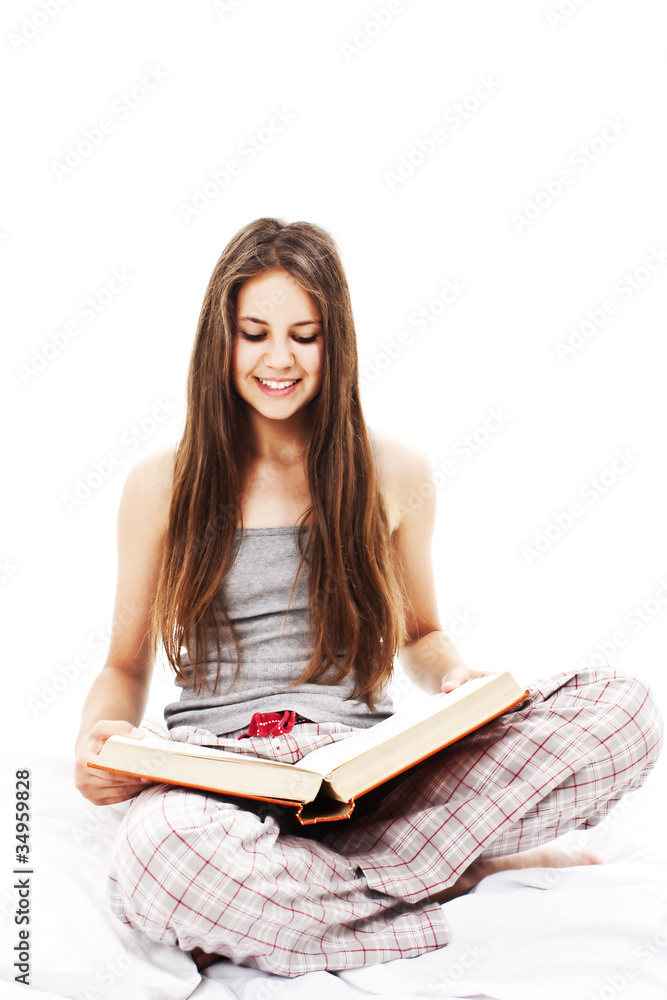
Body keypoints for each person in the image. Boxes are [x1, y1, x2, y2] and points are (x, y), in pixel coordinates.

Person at [74, 217, 664, 978]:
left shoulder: (394, 469)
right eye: (253, 333)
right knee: (160, 860)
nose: (277, 359)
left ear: (336, 342)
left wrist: (456, 678)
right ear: (218, 341)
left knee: (620, 710)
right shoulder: (161, 483)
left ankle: (308, 894)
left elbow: (421, 634)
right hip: (219, 775)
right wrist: (101, 739)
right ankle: (455, 875)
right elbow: (123, 665)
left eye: (304, 335)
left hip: (364, 772)